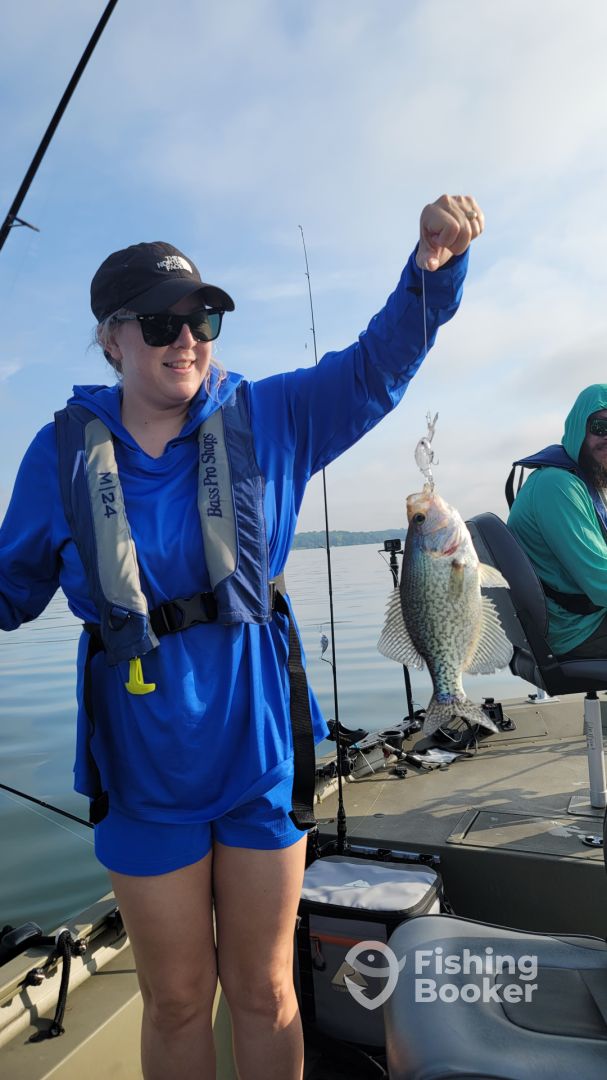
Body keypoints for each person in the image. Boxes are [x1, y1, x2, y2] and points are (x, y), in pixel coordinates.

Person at [0, 193, 482, 1080]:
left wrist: (431, 273)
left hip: (260, 750)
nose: (187, 339)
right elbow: (8, 589)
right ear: (110, 339)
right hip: (143, 766)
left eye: (204, 319)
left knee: (264, 988)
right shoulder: (58, 455)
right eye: (161, 323)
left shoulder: (271, 417)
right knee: (178, 998)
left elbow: (376, 367)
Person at [508, 384, 607, 659]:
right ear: (578, 427)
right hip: (575, 633)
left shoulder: (582, 483)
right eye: (600, 427)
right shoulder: (558, 486)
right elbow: (602, 585)